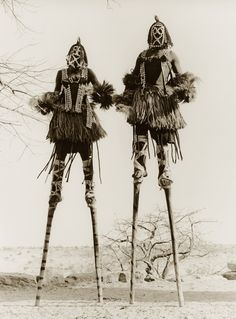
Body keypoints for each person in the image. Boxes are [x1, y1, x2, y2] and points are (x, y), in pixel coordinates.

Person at [30, 38, 113, 305]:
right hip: (65, 123)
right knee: (61, 155)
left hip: (85, 124)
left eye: (79, 55)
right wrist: (47, 102)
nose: (75, 59)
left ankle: (89, 186)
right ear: (68, 57)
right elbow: (56, 95)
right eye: (72, 55)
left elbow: (102, 93)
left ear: (84, 57)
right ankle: (57, 187)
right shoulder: (61, 75)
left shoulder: (89, 74)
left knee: (87, 156)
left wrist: (102, 95)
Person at [115, 16, 197, 188]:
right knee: (141, 133)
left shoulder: (171, 55)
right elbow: (132, 80)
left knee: (162, 136)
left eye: (160, 32)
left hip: (163, 102)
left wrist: (185, 90)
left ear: (165, 34)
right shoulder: (142, 56)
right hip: (143, 102)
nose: (157, 35)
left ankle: (164, 169)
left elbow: (180, 78)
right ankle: (139, 165)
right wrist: (125, 99)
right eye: (155, 32)